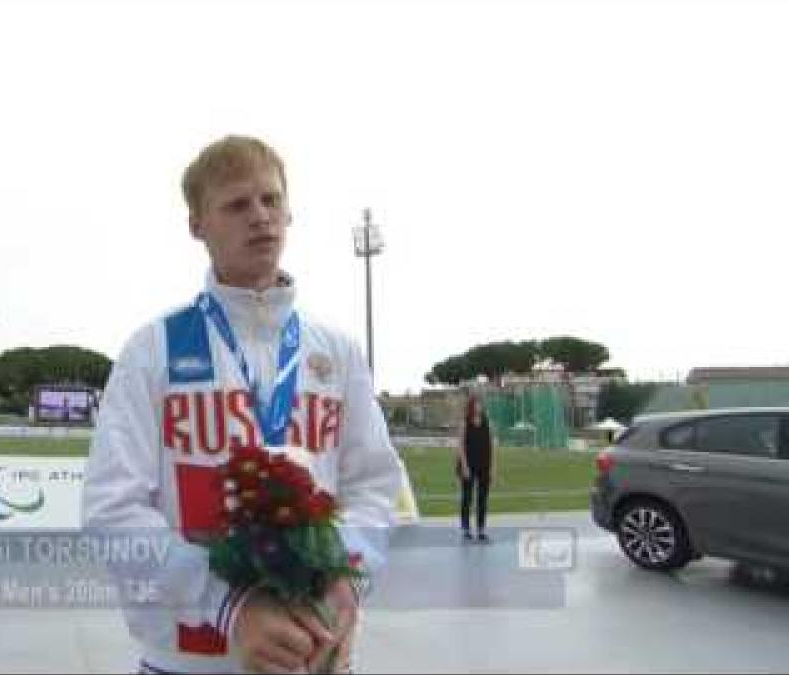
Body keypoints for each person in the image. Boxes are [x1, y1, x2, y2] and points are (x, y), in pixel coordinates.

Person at [83, 135, 408, 674]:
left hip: (316, 651)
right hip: (187, 659)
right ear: (197, 224)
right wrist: (230, 608)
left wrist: (344, 577)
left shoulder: (337, 351)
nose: (259, 216)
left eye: (270, 200)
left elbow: (375, 485)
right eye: (237, 205)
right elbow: (111, 513)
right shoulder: (152, 350)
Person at [456, 394, 495, 542]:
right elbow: (460, 446)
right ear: (471, 406)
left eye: (481, 404)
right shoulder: (464, 423)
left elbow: (491, 446)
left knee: (482, 498)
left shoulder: (488, 423)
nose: (479, 406)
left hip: (484, 464)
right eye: (477, 404)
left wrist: (492, 467)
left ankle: (481, 529)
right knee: (467, 497)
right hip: (468, 464)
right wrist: (464, 466)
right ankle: (466, 528)